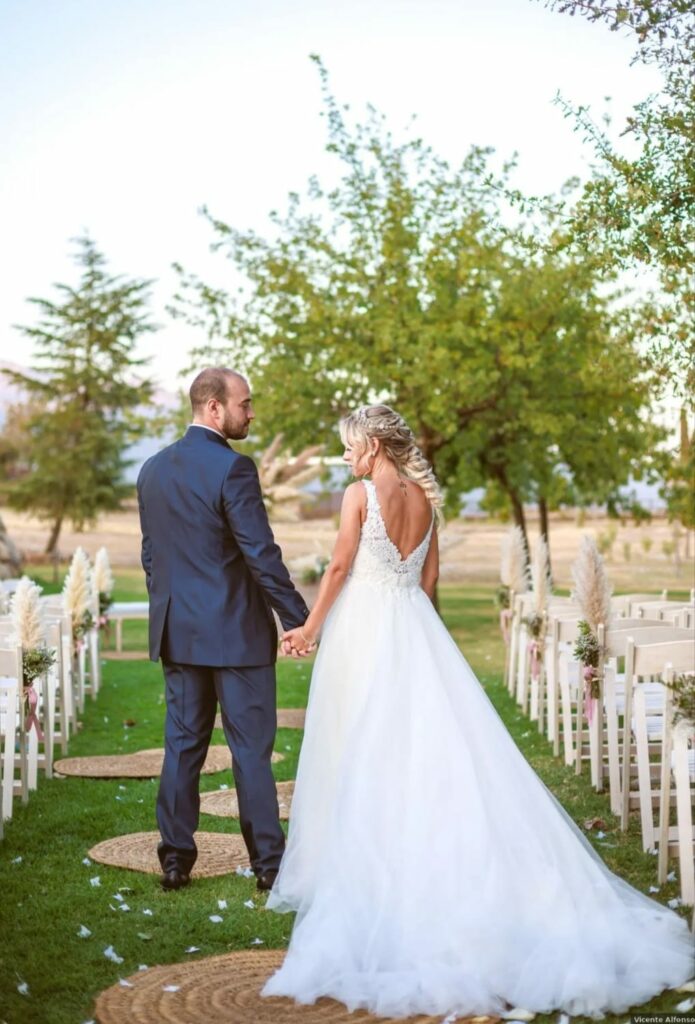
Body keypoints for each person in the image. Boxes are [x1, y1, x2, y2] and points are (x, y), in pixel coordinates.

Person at [262, 404, 694, 1019]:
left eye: (352, 445)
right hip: (414, 629)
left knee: (359, 747)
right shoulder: (427, 503)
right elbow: (428, 584)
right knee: (427, 751)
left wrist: (307, 627)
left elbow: (338, 566)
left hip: (364, 631)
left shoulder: (361, 494)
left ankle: (372, 873)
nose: (347, 456)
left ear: (376, 446)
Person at [136, 367, 309, 893]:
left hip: (179, 633)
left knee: (183, 746)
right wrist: (299, 619)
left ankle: (174, 859)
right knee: (250, 751)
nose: (250, 413)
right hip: (236, 636)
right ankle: (269, 865)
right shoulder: (234, 469)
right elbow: (261, 553)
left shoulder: (152, 470)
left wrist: (170, 607)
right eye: (244, 404)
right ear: (214, 408)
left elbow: (151, 557)